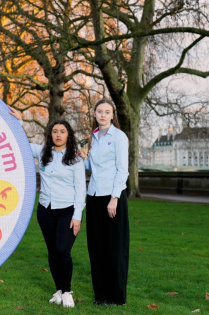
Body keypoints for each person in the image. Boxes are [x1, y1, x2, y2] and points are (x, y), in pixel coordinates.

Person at [10, 109, 86, 308]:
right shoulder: (43, 153)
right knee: (53, 252)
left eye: (62, 131)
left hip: (68, 211)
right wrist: (19, 122)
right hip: (45, 210)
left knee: (63, 249)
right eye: (55, 131)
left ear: (68, 135)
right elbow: (21, 143)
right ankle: (59, 290)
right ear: (50, 134)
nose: (58, 134)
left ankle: (67, 291)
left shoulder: (76, 159)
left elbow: (80, 190)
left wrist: (77, 216)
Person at [83, 98, 129, 306]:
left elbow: (122, 170)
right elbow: (92, 167)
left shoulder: (119, 137)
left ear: (112, 115)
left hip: (113, 199)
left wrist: (114, 198)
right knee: (96, 247)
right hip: (93, 197)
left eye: (107, 111)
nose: (102, 114)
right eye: (99, 111)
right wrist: (81, 156)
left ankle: (116, 296)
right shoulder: (92, 138)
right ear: (94, 114)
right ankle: (100, 295)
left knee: (114, 247)